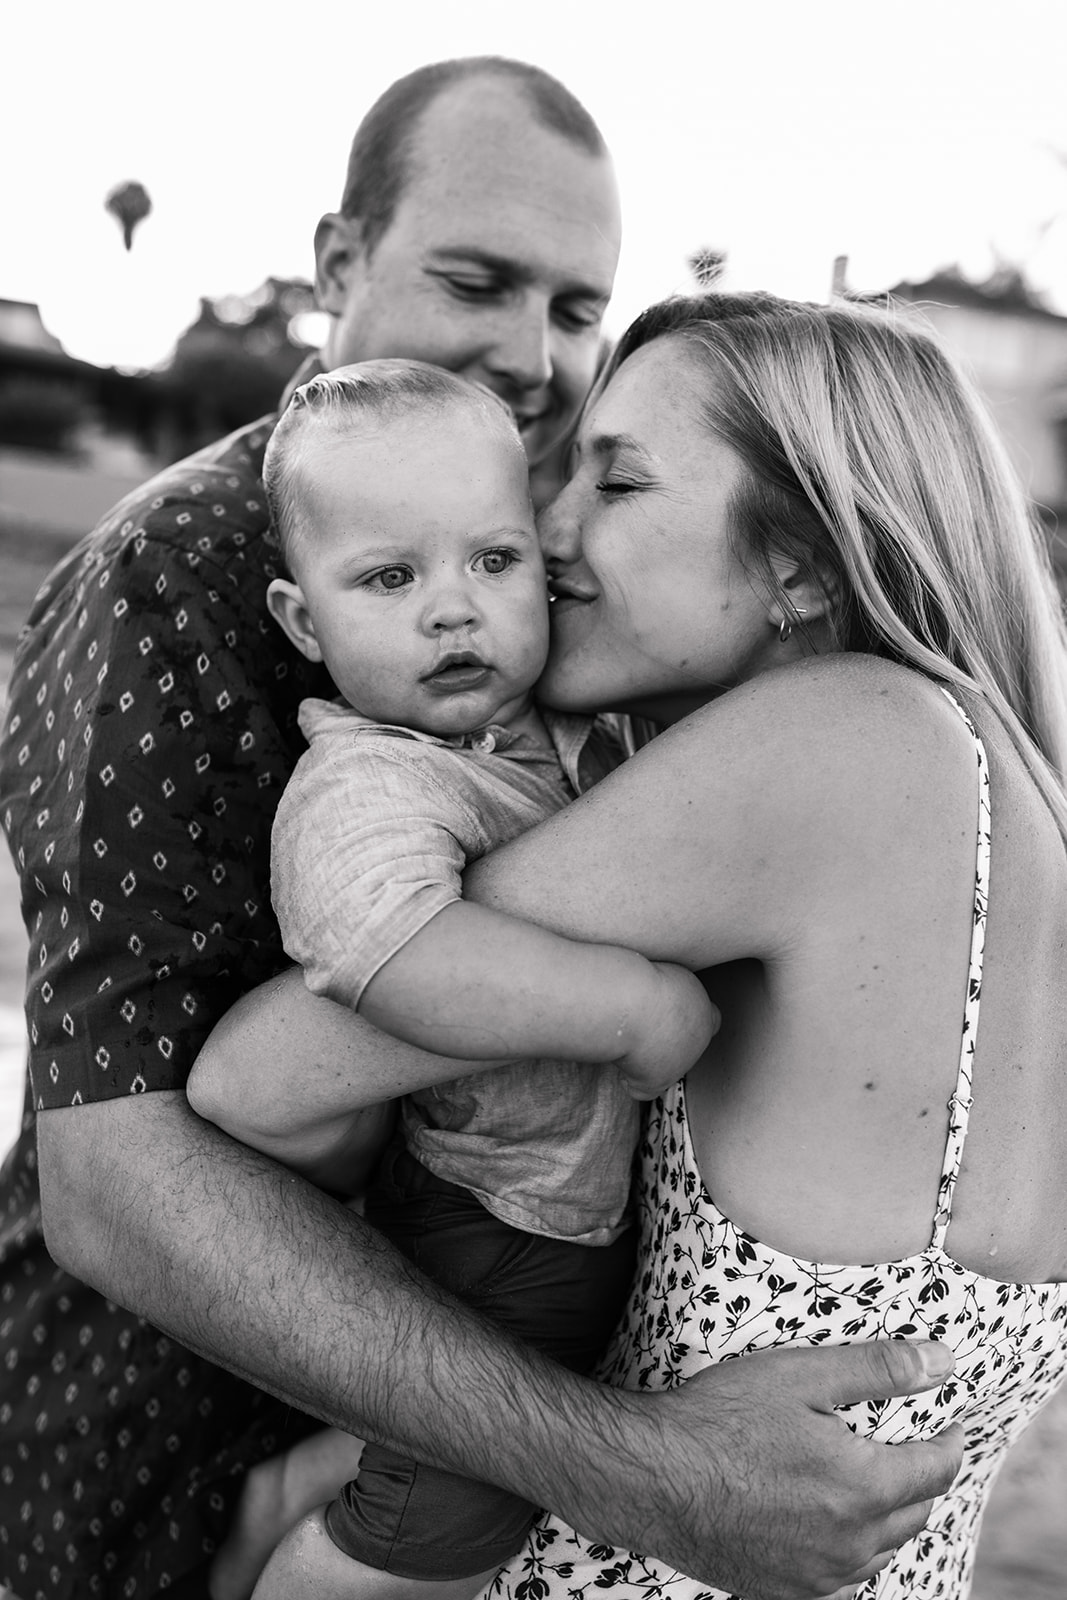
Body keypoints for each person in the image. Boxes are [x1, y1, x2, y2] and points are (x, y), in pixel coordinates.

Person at [0, 50, 960, 1600]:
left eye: (576, 309)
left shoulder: (543, 582)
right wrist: (644, 1474)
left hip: (456, 1376)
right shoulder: (172, 573)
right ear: (336, 263)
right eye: (476, 281)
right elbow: (113, 1180)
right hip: (161, 1445)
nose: (534, 355)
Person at [202, 288, 1067, 1600]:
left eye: (614, 482)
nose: (543, 534)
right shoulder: (1006, 803)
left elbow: (261, 1075)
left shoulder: (845, 741)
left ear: (797, 566)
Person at [188, 357, 714, 1598]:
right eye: (389, 577)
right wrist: (627, 1006)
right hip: (497, 1213)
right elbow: (387, 950)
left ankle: (303, 1479)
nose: (453, 610)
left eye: (493, 560)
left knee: (475, 1448)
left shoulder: (569, 728)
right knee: (444, 1536)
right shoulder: (368, 781)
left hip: (568, 1203)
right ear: (304, 623)